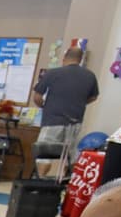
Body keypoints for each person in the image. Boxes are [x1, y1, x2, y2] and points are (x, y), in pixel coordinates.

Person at [32, 47, 99, 176]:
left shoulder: (53, 73)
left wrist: (45, 106)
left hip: (53, 120)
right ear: (80, 60)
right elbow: (93, 97)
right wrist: (79, 103)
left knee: (43, 153)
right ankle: (67, 184)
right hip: (75, 122)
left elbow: (37, 96)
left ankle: (40, 182)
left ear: (64, 58)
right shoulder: (90, 75)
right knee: (69, 154)